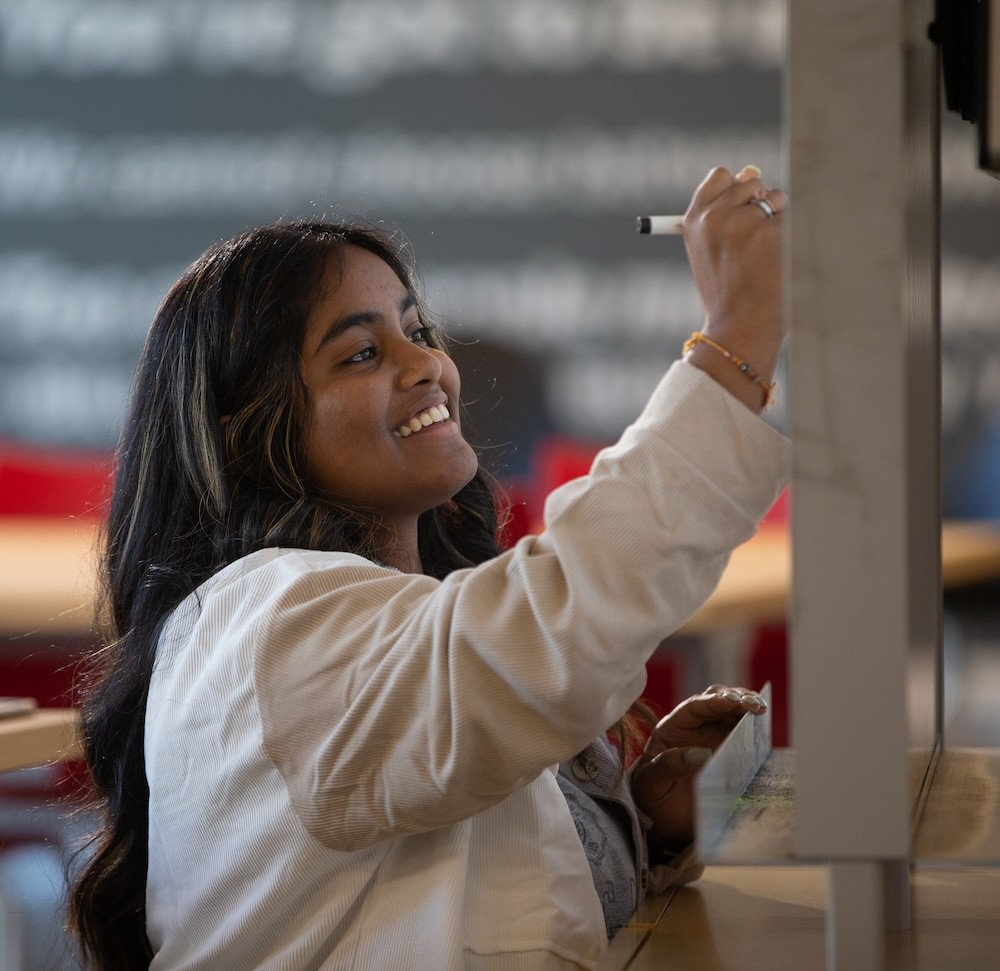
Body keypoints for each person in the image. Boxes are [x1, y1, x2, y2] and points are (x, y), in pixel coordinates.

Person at [68, 164, 789, 970]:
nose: (427, 367)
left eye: (418, 332)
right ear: (247, 433)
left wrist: (636, 821)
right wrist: (738, 333)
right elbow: (559, 630)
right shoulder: (264, 626)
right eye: (362, 353)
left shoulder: (394, 622)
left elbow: (472, 873)